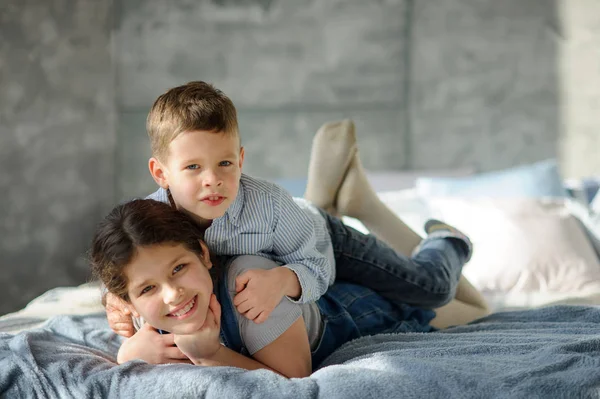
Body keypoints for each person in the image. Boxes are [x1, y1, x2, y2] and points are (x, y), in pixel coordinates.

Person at [105, 81, 489, 340]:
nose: (213, 180)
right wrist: (115, 300)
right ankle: (326, 195)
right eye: (193, 168)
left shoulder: (266, 204)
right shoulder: (150, 222)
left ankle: (448, 240)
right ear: (161, 173)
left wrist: (284, 281)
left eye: (225, 164)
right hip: (289, 233)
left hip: (323, 241)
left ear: (241, 160)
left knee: (431, 291)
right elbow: (128, 268)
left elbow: (319, 265)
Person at [90, 198, 473, 377]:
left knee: (441, 293)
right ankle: (339, 199)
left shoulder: (250, 288)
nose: (172, 295)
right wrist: (130, 352)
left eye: (179, 268)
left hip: (360, 307)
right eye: (147, 290)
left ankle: (447, 242)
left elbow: (293, 380)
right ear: (128, 303)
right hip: (304, 250)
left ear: (204, 254)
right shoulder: (143, 309)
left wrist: (211, 354)